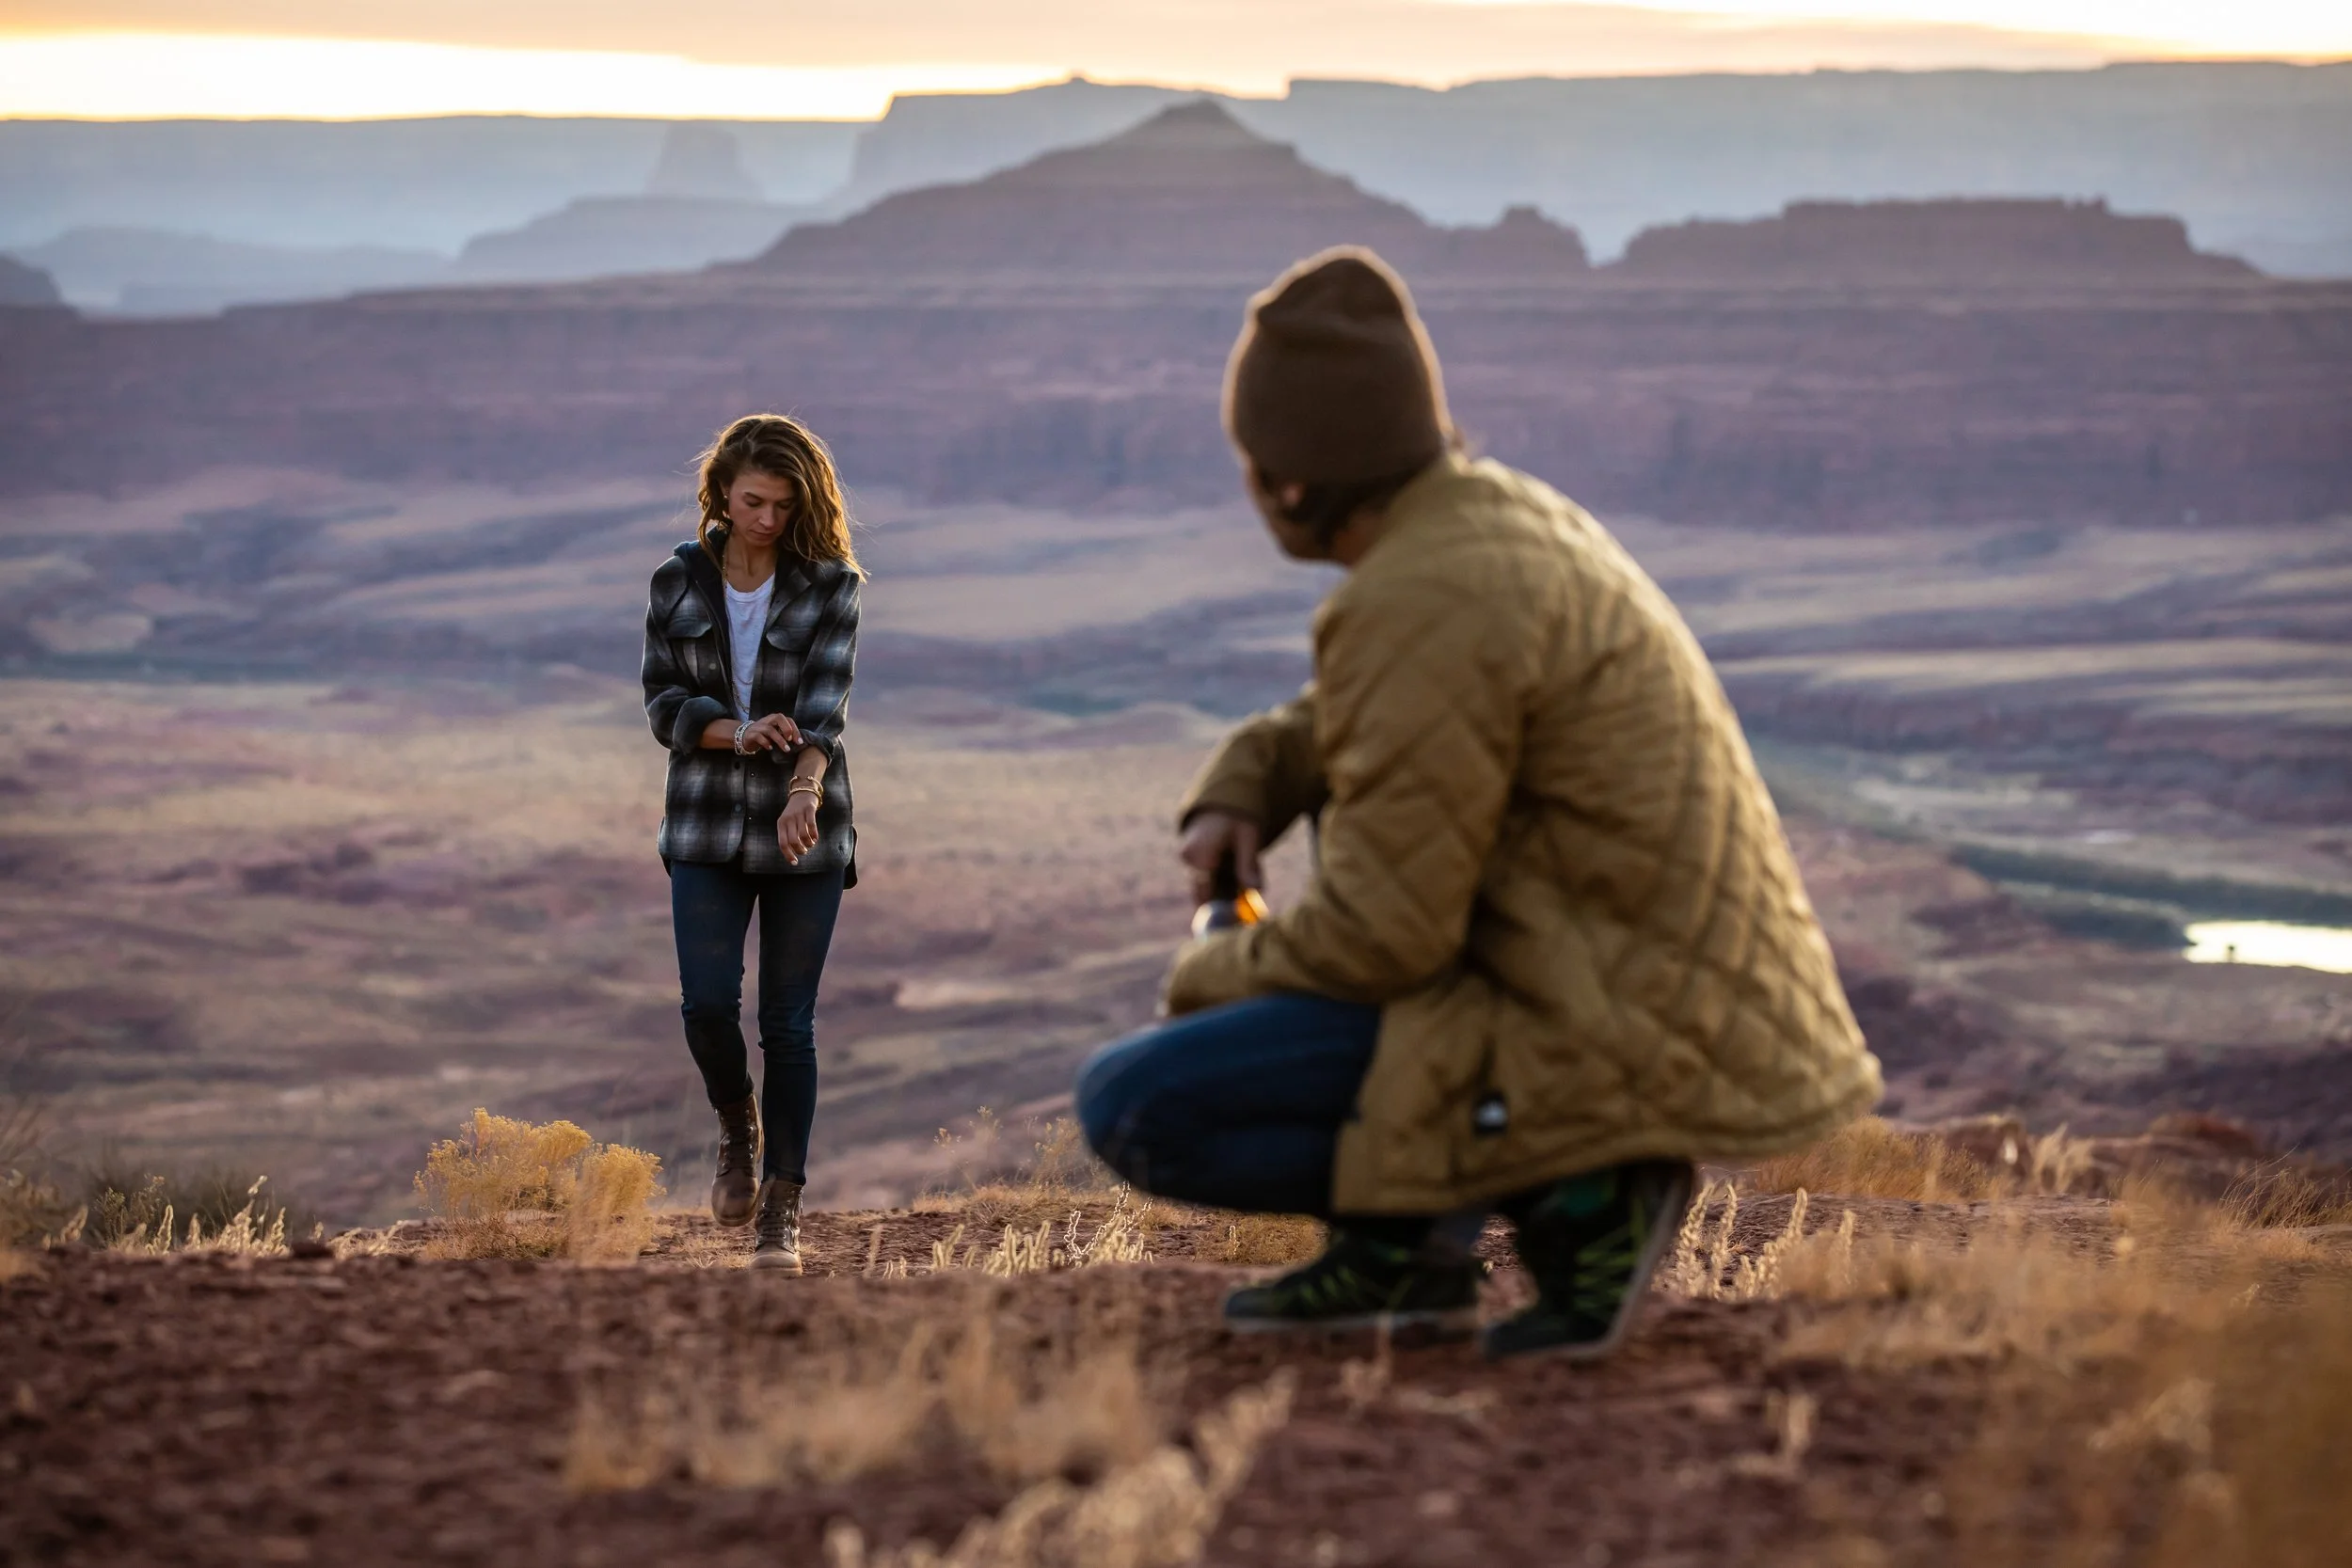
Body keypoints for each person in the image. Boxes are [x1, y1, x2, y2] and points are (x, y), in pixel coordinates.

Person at [1073, 249, 1883, 1358]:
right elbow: (1367, 713)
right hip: (1622, 979)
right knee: (1258, 1033)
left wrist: (1208, 969)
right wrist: (1244, 786)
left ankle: (1583, 1194)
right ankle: (1407, 1253)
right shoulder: (1490, 522)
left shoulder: (1424, 592)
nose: (1252, 485)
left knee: (1138, 1100)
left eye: (1255, 461)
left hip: (1606, 1020)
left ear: (1295, 479)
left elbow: (1382, 938)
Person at [641, 413, 864, 1275]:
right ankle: (737, 1120)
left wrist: (804, 788)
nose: (770, 519)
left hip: (805, 821)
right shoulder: (676, 580)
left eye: (784, 504)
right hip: (702, 813)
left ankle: (782, 1209)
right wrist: (733, 735)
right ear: (721, 496)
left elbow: (827, 705)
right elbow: (664, 705)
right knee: (704, 1005)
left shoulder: (831, 583)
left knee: (788, 1024)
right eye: (754, 502)